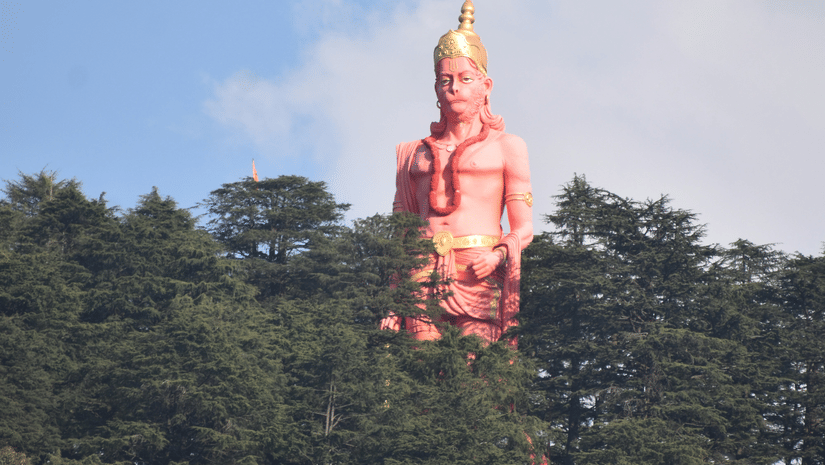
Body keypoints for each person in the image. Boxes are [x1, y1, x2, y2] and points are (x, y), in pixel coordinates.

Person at [380, 0, 533, 346]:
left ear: (486, 86)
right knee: (420, 372)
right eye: (445, 79)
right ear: (435, 88)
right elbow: (399, 237)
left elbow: (524, 229)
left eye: (466, 78)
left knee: (475, 373)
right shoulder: (411, 154)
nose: (454, 87)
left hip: (478, 270)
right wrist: (391, 302)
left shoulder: (508, 147)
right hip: (420, 273)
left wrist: (497, 255)